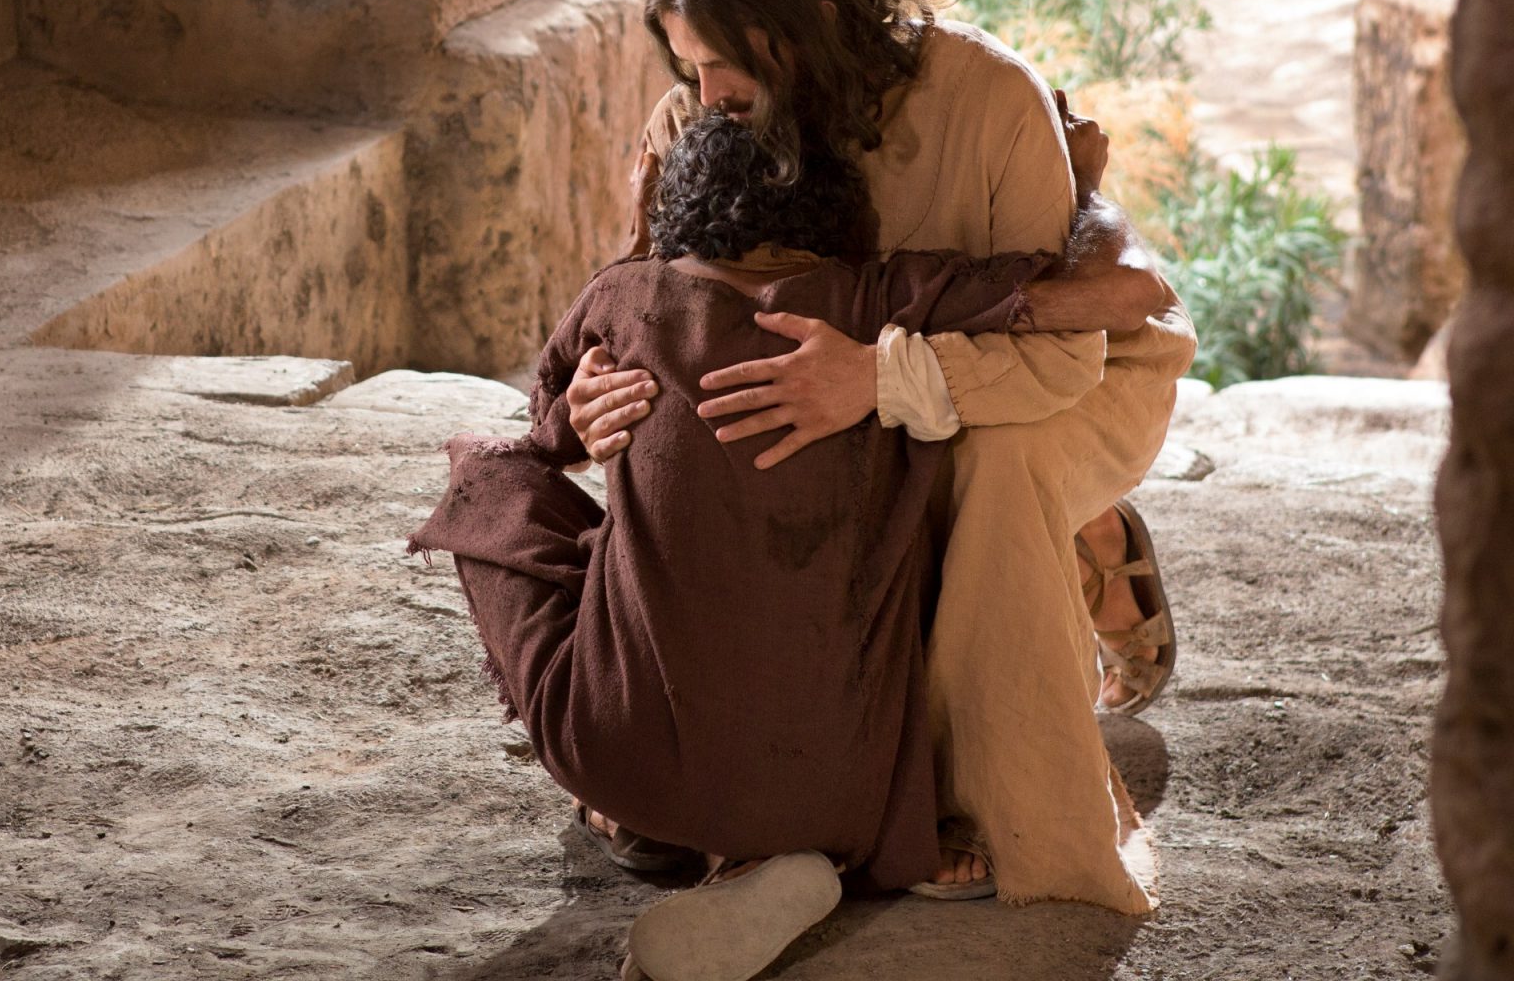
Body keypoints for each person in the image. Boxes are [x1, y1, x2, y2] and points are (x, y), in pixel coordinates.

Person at [411, 113, 1166, 981]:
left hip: (627, 761)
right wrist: (1085, 187)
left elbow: (541, 441)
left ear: (676, 210)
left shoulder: (621, 298)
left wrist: (593, 375)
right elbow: (1128, 296)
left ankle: (652, 823)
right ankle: (807, 850)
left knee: (487, 476)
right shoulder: (884, 299)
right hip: (857, 794)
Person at [563, 0, 1198, 912]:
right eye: (688, 63)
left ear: (813, 22)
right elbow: (666, 307)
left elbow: (1060, 357)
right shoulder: (700, 113)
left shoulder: (990, 97)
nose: (705, 93)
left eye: (727, 60)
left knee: (990, 470)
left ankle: (972, 800)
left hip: (1054, 377)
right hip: (829, 389)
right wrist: (602, 393)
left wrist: (878, 378)